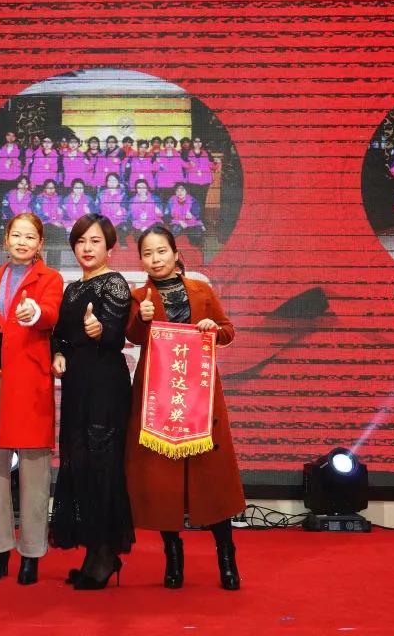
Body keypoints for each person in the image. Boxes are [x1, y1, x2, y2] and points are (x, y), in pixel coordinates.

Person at [126, 226, 245, 590]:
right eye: (148, 254)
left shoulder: (201, 290)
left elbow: (228, 330)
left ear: (176, 254)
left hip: (201, 396)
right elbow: (132, 337)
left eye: (161, 251)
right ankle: (173, 557)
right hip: (159, 397)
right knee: (163, 481)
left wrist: (212, 328)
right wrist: (142, 318)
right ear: (141, 260)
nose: (155, 259)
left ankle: (227, 556)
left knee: (211, 478)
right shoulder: (139, 296)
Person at [0, 213, 63, 586]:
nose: (22, 242)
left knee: (34, 469)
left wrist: (34, 312)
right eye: (16, 235)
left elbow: (51, 314)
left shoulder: (50, 278)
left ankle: (32, 554)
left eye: (30, 237)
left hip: (30, 380)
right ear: (6, 239)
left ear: (40, 243)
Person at [50, 214, 134, 590]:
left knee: (103, 466)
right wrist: (57, 353)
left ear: (109, 247)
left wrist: (100, 330)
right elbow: (59, 335)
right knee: (80, 464)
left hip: (105, 385)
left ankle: (105, 554)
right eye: (81, 241)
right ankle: (93, 552)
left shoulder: (114, 283)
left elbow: (115, 335)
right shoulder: (71, 289)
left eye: (95, 241)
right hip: (77, 385)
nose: (87, 248)